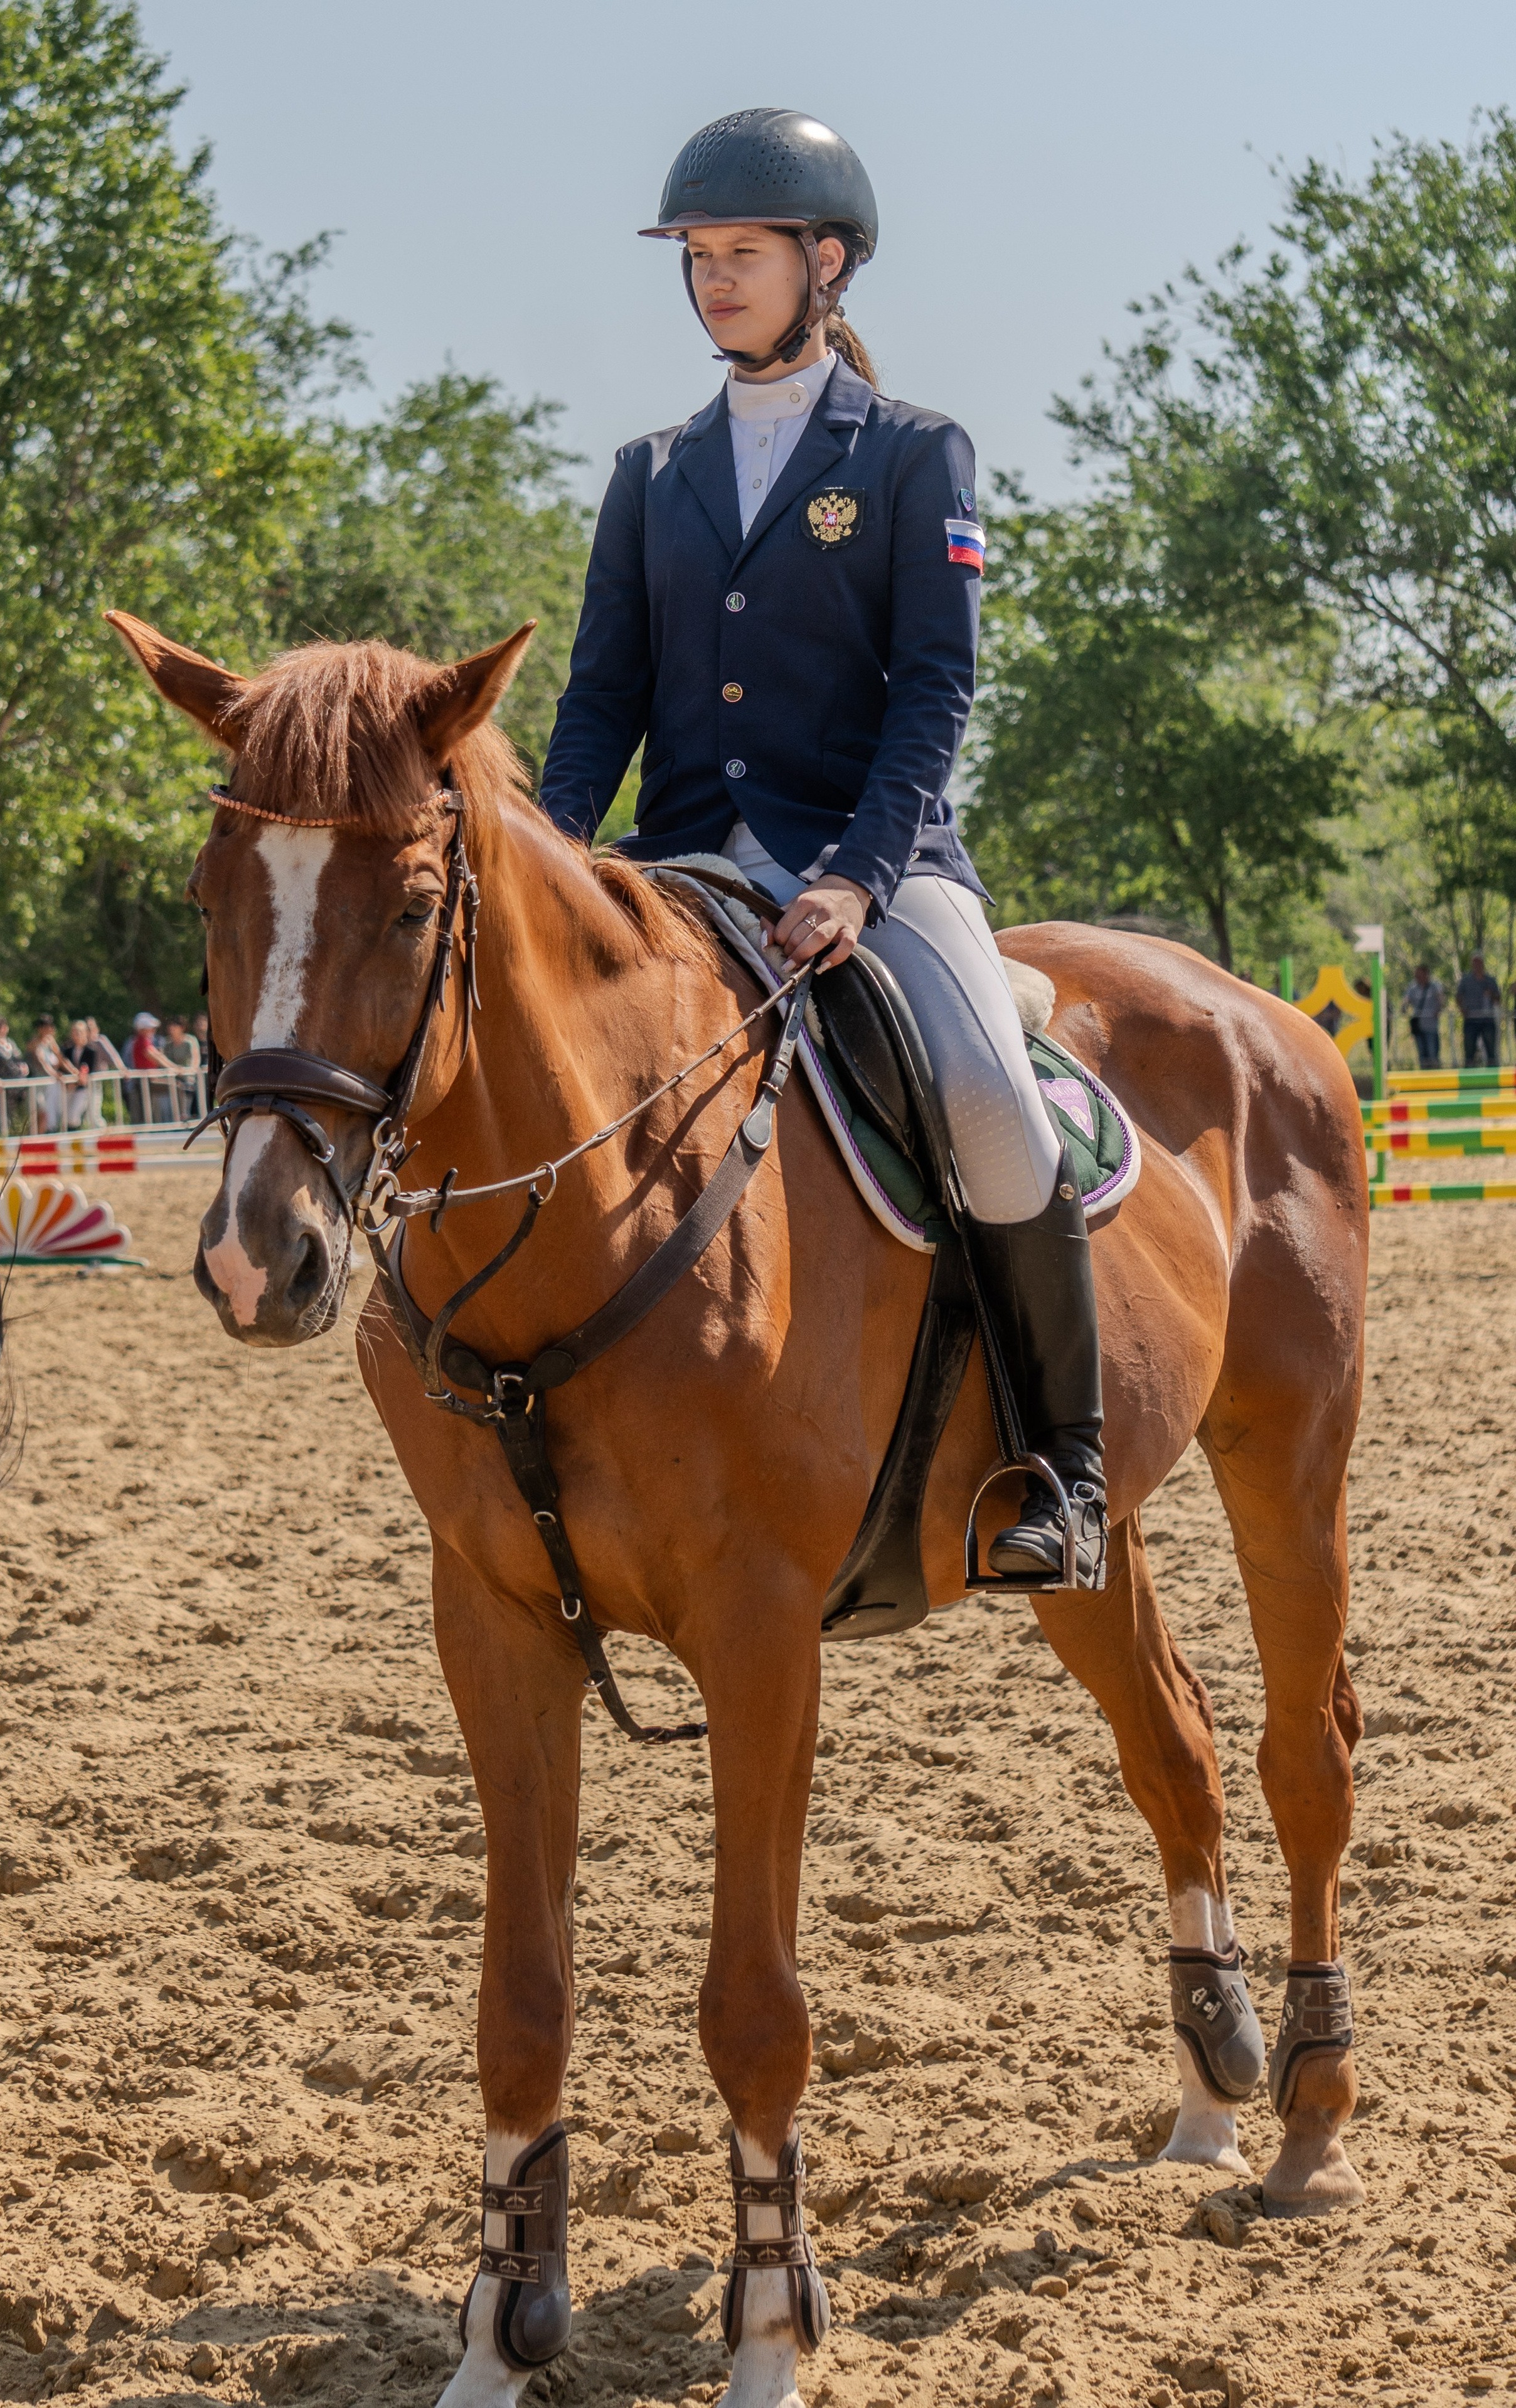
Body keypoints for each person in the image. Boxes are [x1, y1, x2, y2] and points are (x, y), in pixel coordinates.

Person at [538, 109, 1105, 1587]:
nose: (713, 281)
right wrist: (547, 859)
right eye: (698, 259)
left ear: (825, 261)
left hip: (879, 856)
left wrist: (857, 870)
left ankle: (1063, 1465)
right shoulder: (648, 472)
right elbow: (600, 700)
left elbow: (936, 688)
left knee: (985, 1095)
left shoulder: (915, 454)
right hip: (686, 864)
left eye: (742, 255)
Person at [129, 1010, 176, 1123]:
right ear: (142, 1029)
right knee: (177, 1087)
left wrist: (174, 1067)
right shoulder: (142, 1041)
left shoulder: (144, 1041)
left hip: (149, 1080)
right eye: (150, 1028)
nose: (153, 1030)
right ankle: (180, 1118)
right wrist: (174, 1068)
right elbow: (155, 1057)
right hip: (146, 1081)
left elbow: (158, 1055)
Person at [1456, 954, 1502, 1068]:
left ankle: (1493, 1076)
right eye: (1475, 963)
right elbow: (1458, 996)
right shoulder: (1466, 980)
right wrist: (1462, 1009)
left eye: (1479, 963)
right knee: (1469, 1050)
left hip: (1487, 1019)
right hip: (1471, 1019)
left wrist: (1491, 994)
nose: (1477, 965)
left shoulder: (1490, 980)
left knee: (1491, 1050)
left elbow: (1498, 999)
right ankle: (1468, 1078)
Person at [1403, 963, 1445, 1070]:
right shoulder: (1412, 987)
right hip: (1418, 1028)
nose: (1417, 976)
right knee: (1422, 1055)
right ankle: (1424, 1078)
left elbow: (1442, 1001)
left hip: (1431, 1026)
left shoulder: (1435, 986)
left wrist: (1438, 1010)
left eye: (1419, 974)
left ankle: (1436, 1077)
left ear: (1426, 974)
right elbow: (1406, 1002)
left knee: (1433, 1053)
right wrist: (1405, 1007)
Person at [164, 1015, 202, 1120]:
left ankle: (189, 1115)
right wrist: (175, 1069)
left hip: (188, 1076)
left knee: (188, 1086)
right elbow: (165, 1060)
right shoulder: (168, 1044)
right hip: (174, 1076)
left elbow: (195, 1058)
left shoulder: (190, 1041)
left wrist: (191, 1071)